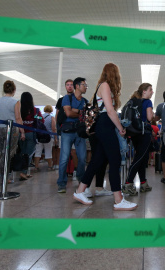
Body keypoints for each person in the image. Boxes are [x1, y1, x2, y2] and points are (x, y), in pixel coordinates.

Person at [74, 63, 137, 211]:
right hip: (105, 126)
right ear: (114, 74)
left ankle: (80, 191)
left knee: (97, 161)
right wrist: (120, 128)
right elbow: (110, 110)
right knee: (114, 160)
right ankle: (118, 199)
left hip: (103, 126)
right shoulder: (105, 86)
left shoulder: (103, 86)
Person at [122, 83, 154, 195]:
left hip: (135, 133)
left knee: (142, 158)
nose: (152, 92)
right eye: (150, 90)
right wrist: (153, 114)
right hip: (144, 133)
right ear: (144, 91)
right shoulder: (147, 102)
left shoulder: (134, 102)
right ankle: (128, 183)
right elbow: (150, 117)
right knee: (139, 158)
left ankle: (143, 183)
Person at [57, 77, 88, 193]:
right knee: (64, 158)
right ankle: (61, 183)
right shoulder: (67, 98)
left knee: (82, 157)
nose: (85, 87)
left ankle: (81, 179)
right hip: (67, 131)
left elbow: (86, 116)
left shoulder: (85, 101)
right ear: (77, 86)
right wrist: (80, 112)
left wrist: (75, 111)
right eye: (84, 85)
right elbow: (68, 113)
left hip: (80, 132)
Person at [19, 92, 42, 180]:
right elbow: (41, 120)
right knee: (29, 154)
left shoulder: (20, 110)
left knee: (22, 153)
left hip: (21, 133)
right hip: (31, 134)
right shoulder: (35, 110)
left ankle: (23, 171)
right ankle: (23, 172)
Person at [54, 79, 75, 170]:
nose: (69, 86)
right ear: (65, 86)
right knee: (63, 151)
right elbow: (57, 114)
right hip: (64, 128)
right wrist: (57, 127)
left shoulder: (78, 99)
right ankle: (63, 170)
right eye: (67, 85)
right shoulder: (61, 100)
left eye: (71, 84)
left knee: (74, 151)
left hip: (75, 128)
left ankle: (74, 170)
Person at [34, 105, 57, 171]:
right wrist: (55, 138)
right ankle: (50, 166)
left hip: (39, 136)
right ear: (51, 110)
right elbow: (53, 128)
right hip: (48, 137)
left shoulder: (39, 117)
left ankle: (36, 167)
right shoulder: (51, 118)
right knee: (48, 152)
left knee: (38, 152)